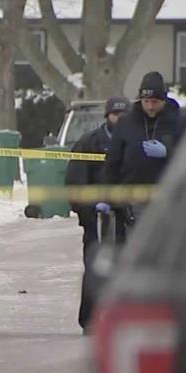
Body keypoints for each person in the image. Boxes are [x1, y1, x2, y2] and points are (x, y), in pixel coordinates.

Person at [100, 71, 184, 223]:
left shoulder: (179, 122)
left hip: (169, 197)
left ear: (164, 100)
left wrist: (168, 152)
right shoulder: (126, 123)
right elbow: (112, 162)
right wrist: (105, 197)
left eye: (154, 102)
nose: (150, 107)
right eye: (146, 101)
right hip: (133, 197)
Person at [65, 96, 130, 264]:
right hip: (96, 217)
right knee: (96, 263)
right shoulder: (88, 143)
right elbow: (75, 181)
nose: (120, 119)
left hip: (129, 216)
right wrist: (89, 209)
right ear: (107, 116)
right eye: (115, 114)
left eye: (124, 114)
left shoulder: (136, 142)